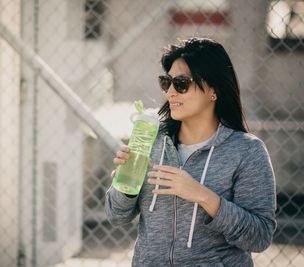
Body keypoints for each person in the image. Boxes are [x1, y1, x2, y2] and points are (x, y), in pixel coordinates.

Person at [105, 37, 276, 266]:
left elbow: (260, 237)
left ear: (213, 90)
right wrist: (126, 187)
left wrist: (204, 196)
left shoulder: (247, 151)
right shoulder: (150, 140)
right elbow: (116, 215)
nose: (170, 93)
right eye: (167, 82)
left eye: (181, 84)